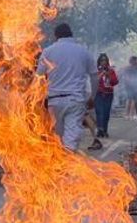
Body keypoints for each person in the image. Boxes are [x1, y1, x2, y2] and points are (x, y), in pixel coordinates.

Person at [37, 24, 96, 152]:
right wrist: (93, 96)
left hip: (54, 101)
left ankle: (60, 166)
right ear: (71, 34)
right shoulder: (83, 51)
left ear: (56, 36)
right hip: (75, 100)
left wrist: (39, 98)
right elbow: (94, 75)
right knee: (70, 139)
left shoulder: (48, 51)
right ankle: (66, 164)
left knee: (56, 139)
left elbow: (39, 76)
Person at [93, 54, 118, 139]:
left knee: (106, 113)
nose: (103, 62)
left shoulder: (111, 71)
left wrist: (108, 75)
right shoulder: (96, 70)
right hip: (99, 94)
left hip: (108, 94)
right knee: (100, 112)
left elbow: (115, 81)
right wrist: (102, 73)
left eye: (105, 60)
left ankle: (105, 130)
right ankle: (100, 130)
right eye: (102, 60)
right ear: (99, 62)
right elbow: (94, 80)